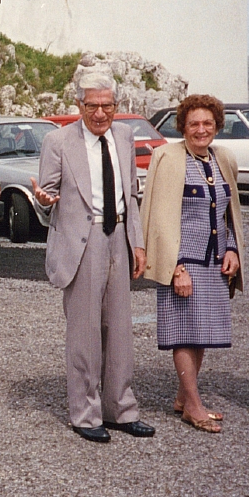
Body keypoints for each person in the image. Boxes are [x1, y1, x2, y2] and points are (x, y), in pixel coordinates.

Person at [31, 71, 151, 443]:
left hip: (118, 237)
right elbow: (47, 193)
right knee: (84, 333)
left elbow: (131, 194)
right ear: (79, 106)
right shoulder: (58, 141)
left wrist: (138, 242)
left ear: (116, 106)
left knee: (119, 329)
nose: (100, 113)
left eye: (107, 105)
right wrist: (44, 201)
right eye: (92, 106)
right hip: (82, 242)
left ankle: (121, 409)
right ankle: (85, 415)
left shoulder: (126, 137)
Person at [141, 94, 243, 433]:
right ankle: (194, 405)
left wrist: (231, 249)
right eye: (194, 124)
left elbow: (229, 214)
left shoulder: (223, 158)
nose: (201, 130)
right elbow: (156, 216)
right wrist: (175, 269)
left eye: (208, 124)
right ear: (182, 127)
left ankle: (184, 397)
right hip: (183, 263)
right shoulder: (167, 157)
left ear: (217, 126)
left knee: (201, 333)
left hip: (214, 263)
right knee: (184, 334)